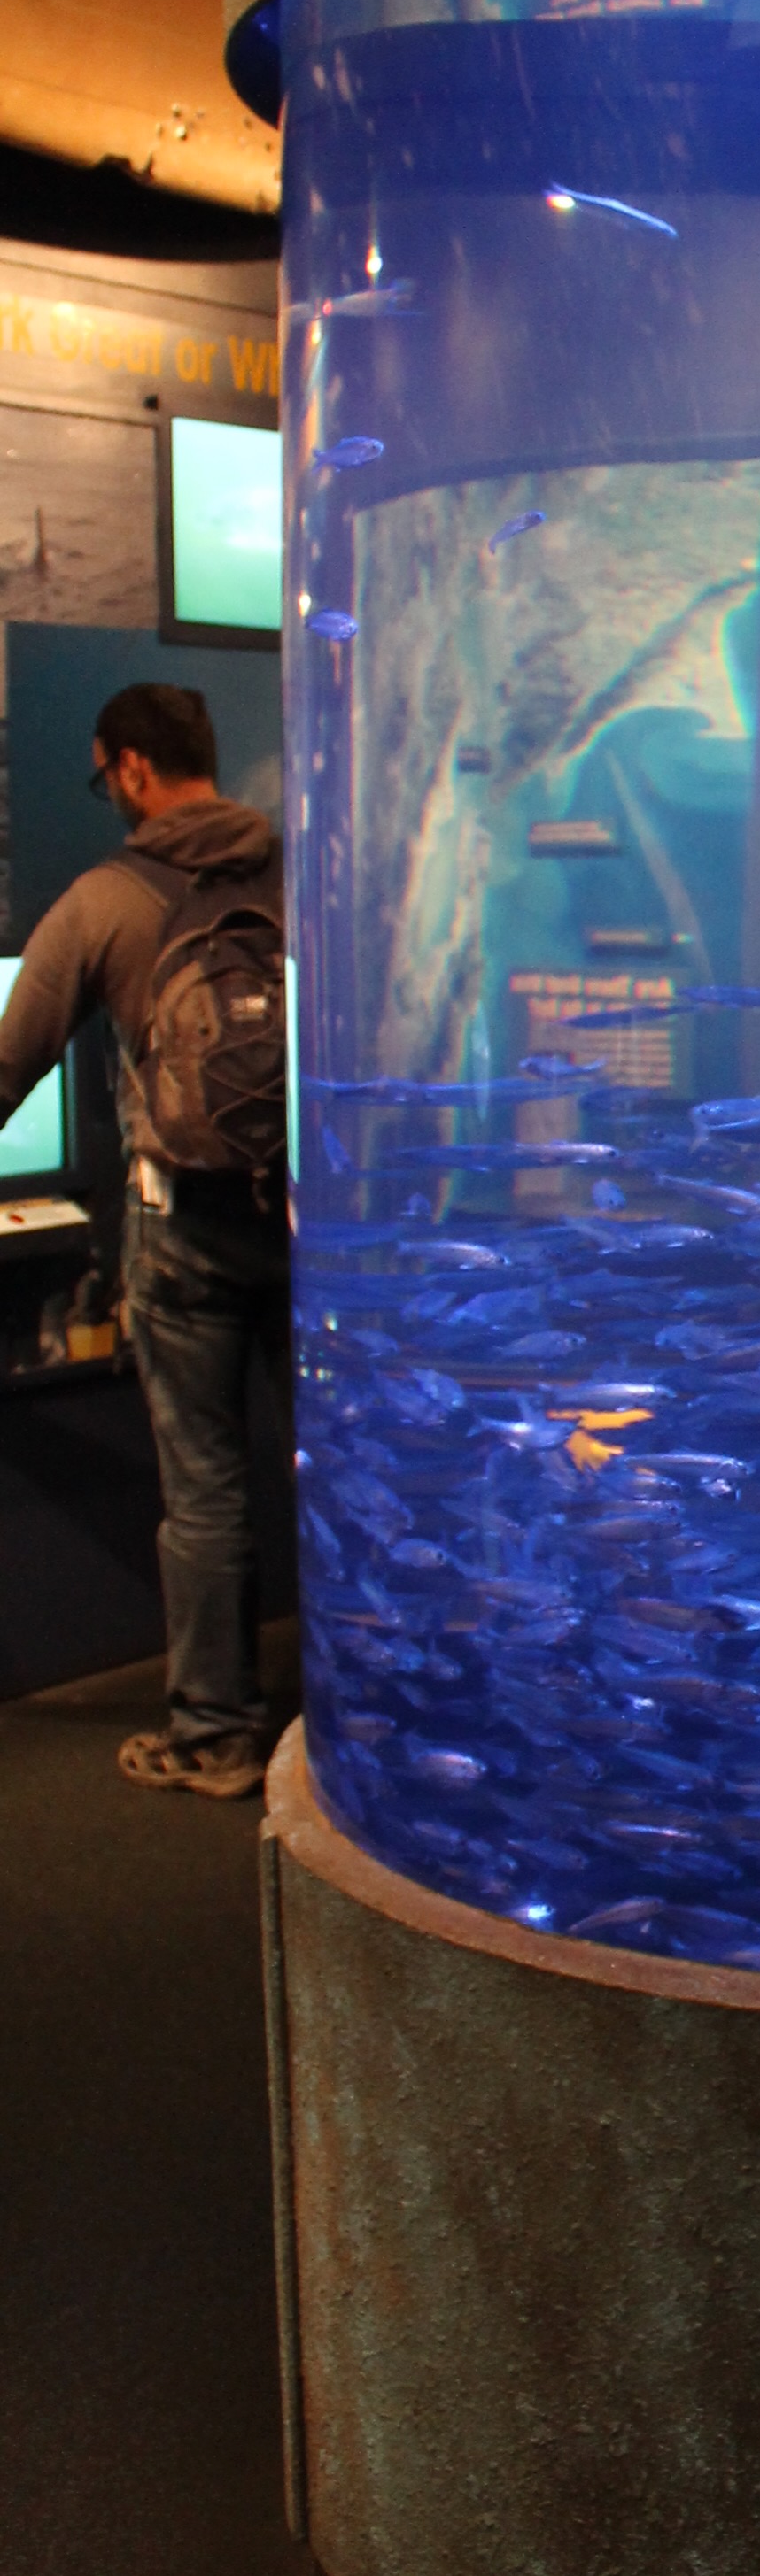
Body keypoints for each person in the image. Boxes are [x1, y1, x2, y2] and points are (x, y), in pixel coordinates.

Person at [0, 683, 290, 1789]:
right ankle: (369, 1712)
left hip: (185, 1236)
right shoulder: (297, 877)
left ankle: (215, 1734)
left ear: (129, 767)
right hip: (309, 1225)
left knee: (205, 1491)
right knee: (336, 1467)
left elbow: (11, 1061)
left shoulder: (104, 902)